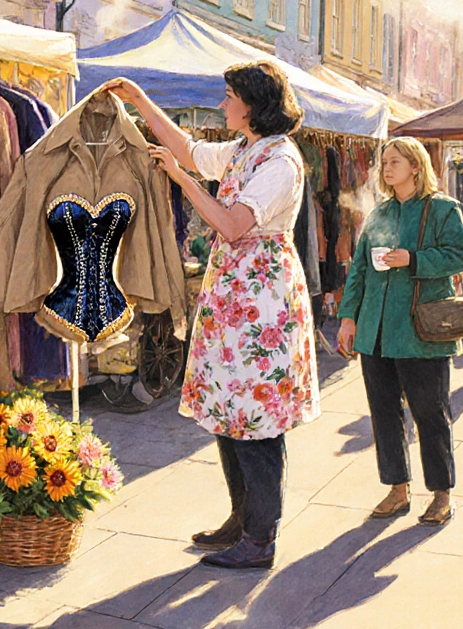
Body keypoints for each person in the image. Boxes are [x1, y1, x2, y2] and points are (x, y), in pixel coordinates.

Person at [103, 61, 319, 570]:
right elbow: (188, 148)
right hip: (237, 298)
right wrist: (139, 101)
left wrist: (181, 180)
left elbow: (231, 224)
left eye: (228, 96)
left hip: (262, 303)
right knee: (230, 413)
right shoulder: (249, 149)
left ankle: (260, 538)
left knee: (257, 419)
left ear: (252, 105)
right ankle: (241, 521)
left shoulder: (280, 162)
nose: (222, 105)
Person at [336, 137, 463, 527]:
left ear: (416, 166)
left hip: (421, 332)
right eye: (384, 162)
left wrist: (412, 259)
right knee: (383, 413)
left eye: (395, 161)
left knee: (431, 413)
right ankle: (397, 488)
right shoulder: (378, 214)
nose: (386, 167)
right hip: (376, 332)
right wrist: (349, 318)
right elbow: (360, 269)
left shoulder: (443, 209)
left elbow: (462, 255)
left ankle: (442, 494)